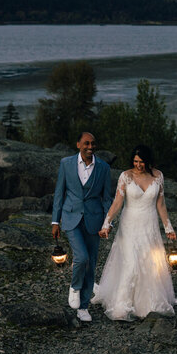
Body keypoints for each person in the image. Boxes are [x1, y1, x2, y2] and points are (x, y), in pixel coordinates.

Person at [92, 145, 177, 321]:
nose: (138, 165)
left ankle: (148, 304)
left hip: (149, 224)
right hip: (129, 224)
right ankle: (121, 306)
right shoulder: (126, 176)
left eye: (142, 162)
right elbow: (117, 202)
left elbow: (160, 204)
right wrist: (106, 223)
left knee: (149, 262)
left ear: (148, 161)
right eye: (135, 161)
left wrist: (168, 227)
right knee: (131, 263)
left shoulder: (158, 176)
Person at [51, 132, 113, 322]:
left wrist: (107, 223)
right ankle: (75, 287)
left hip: (94, 220)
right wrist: (55, 221)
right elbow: (59, 193)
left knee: (91, 263)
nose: (90, 147)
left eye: (93, 144)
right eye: (86, 143)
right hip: (71, 218)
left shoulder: (103, 167)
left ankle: (83, 307)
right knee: (81, 257)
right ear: (78, 144)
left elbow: (106, 198)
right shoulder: (66, 164)